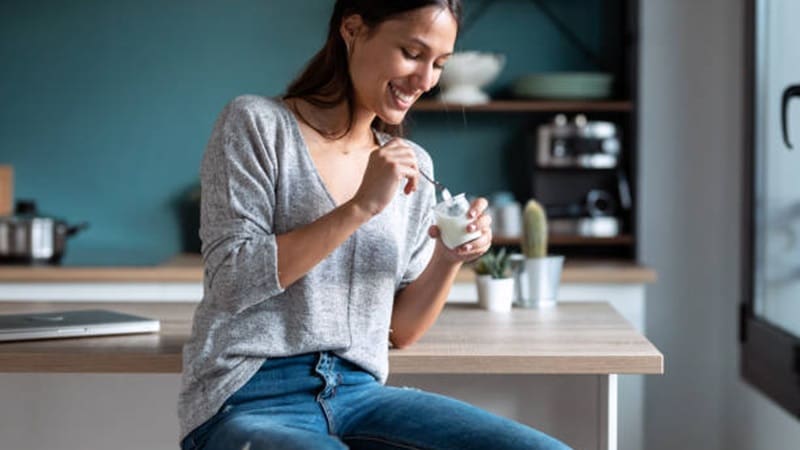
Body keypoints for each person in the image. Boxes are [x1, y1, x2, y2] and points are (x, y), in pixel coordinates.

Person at [178, 1, 572, 449]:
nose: (425, 81)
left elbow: (400, 331)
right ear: (353, 30)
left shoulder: (412, 166)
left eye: (439, 64)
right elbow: (231, 281)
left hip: (359, 395)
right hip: (249, 397)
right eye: (412, 52)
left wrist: (449, 257)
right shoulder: (256, 124)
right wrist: (361, 206)